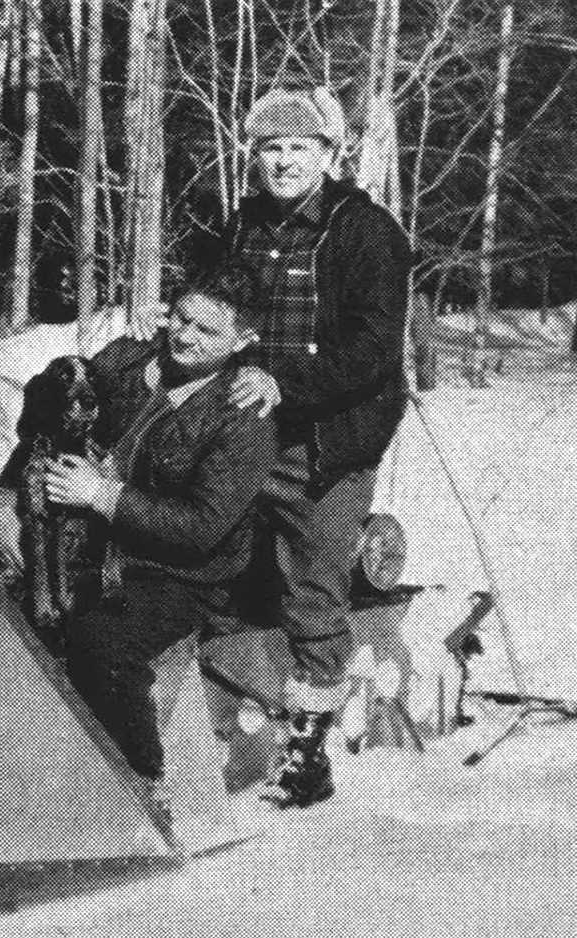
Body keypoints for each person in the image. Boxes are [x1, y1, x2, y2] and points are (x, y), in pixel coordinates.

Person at [0, 265, 278, 814]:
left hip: (177, 573)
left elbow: (201, 529)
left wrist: (106, 497)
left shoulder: (244, 416)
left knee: (99, 640)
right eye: (180, 319)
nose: (186, 337)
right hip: (86, 548)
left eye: (208, 332)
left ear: (243, 342)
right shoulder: (126, 364)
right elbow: (49, 414)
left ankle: (138, 788)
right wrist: (9, 496)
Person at [208, 86, 410, 808]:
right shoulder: (243, 225)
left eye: (300, 147)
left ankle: (307, 753)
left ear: (329, 154)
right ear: (253, 156)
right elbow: (212, 308)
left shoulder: (367, 232)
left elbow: (373, 351)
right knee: (221, 572)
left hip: (328, 442)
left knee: (314, 589)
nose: (284, 160)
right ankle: (229, 727)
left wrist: (282, 382)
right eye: (270, 147)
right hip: (244, 430)